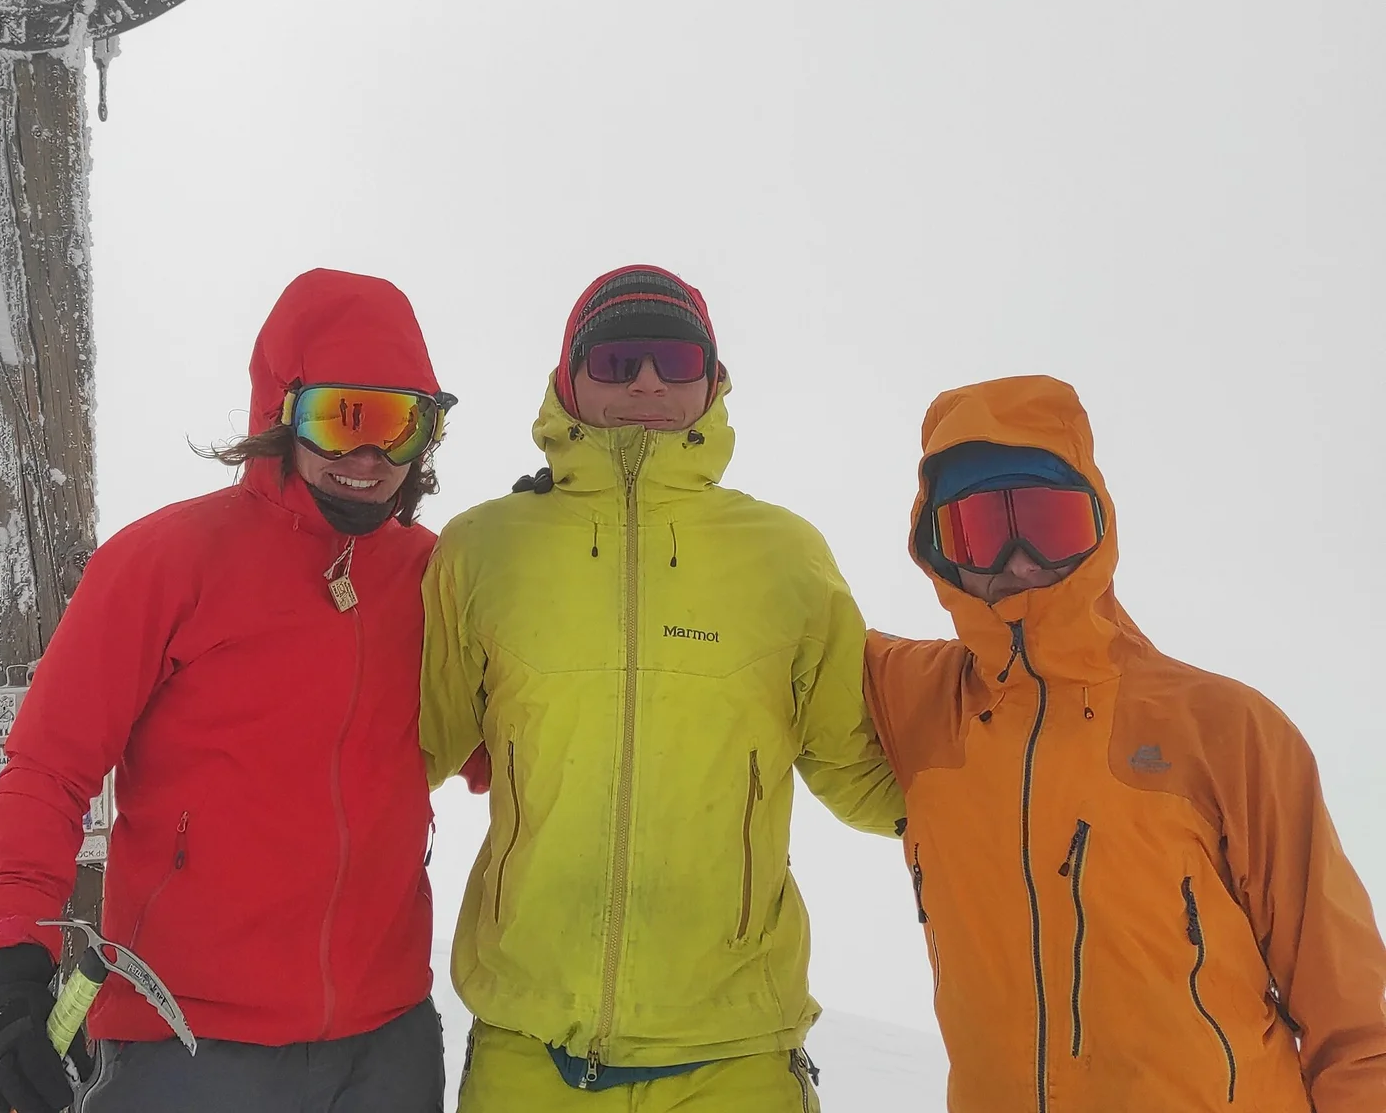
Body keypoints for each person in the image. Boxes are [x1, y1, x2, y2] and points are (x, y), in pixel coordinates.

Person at [0, 269, 457, 1113]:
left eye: (402, 423)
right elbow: (49, 768)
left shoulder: (436, 578)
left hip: (386, 1045)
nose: (369, 456)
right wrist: (5, 950)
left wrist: (547, 561)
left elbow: (510, 748)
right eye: (342, 418)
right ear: (279, 410)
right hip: (187, 1048)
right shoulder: (167, 562)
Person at [420, 265, 904, 1111]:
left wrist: (1007, 749)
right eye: (615, 361)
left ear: (712, 381)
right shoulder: (485, 550)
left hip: (737, 1057)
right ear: (569, 379)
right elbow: (405, 749)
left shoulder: (786, 557)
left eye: (673, 360)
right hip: (529, 1049)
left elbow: (858, 771)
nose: (646, 382)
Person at [864, 374, 1386, 1112]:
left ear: (1097, 525)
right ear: (939, 553)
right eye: (981, 530)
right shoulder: (914, 698)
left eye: (1046, 522)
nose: (1017, 560)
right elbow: (768, 635)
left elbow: (1356, 1020)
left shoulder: (1223, 728)